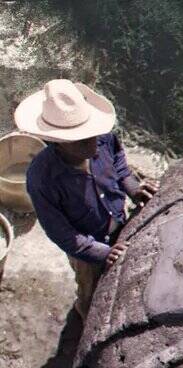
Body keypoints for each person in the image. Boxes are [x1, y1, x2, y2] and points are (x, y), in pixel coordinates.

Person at [15, 79, 159, 320]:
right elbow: (60, 231)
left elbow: (121, 168)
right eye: (83, 141)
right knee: (90, 292)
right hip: (86, 248)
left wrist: (134, 189)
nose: (94, 146)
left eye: (93, 136)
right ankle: (86, 317)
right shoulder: (42, 178)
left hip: (118, 222)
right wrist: (101, 253)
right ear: (58, 142)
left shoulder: (104, 138)